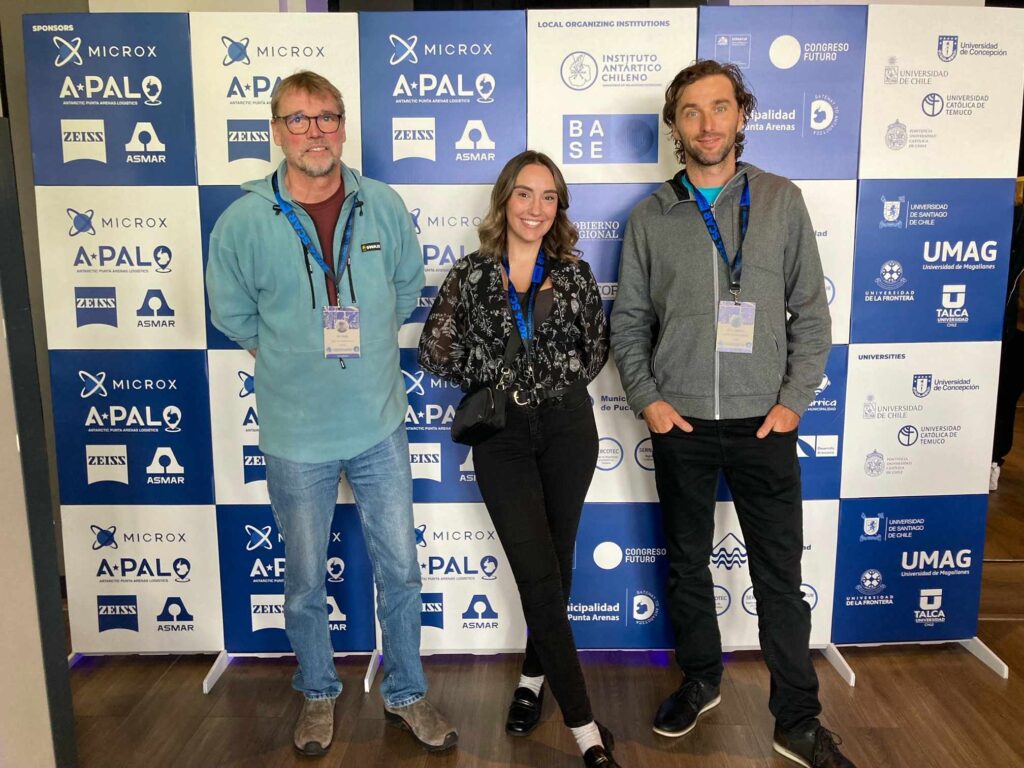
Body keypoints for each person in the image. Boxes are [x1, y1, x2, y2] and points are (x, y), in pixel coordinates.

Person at [610, 60, 856, 768]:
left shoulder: (780, 200)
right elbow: (628, 323)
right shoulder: (651, 216)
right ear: (675, 124)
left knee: (778, 574)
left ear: (742, 115)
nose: (708, 124)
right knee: (687, 566)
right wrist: (649, 402)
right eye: (692, 111)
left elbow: (812, 314)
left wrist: (791, 403)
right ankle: (701, 679)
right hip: (681, 423)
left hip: (763, 426)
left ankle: (797, 720)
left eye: (721, 108)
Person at [206, 70, 456, 757]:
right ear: (276, 130)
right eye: (298, 119)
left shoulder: (381, 203)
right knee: (305, 577)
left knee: (400, 570)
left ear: (343, 126)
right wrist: (291, 356)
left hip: (378, 423)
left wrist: (359, 342)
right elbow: (232, 313)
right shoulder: (243, 220)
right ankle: (318, 691)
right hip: (294, 433)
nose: (314, 131)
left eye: (326, 118)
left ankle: (406, 692)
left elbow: (407, 285)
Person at [418, 151, 618, 768]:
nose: (536, 209)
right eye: (524, 195)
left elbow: (596, 351)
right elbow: (434, 351)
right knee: (536, 573)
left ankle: (532, 682)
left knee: (557, 568)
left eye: (549, 197)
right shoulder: (472, 274)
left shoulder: (575, 274)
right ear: (505, 199)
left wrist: (548, 381)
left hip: (567, 430)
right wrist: (497, 379)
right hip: (501, 435)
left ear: (559, 207)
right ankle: (586, 729)